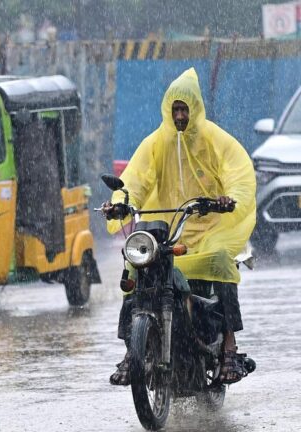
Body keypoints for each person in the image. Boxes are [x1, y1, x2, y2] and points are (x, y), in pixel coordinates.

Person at [102, 68, 256, 386]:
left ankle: (229, 348)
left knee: (218, 261)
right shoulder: (157, 142)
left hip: (214, 229)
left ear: (196, 109)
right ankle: (132, 352)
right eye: (176, 110)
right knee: (136, 264)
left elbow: (238, 173)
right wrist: (119, 201)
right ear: (168, 111)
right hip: (170, 230)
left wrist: (228, 200)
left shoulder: (216, 140)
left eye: (185, 109)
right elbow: (135, 179)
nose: (181, 116)